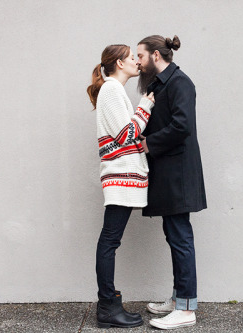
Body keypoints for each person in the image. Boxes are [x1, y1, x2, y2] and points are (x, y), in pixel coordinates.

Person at [136, 35, 207, 330]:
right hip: (169, 175)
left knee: (180, 238)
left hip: (178, 176)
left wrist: (148, 144)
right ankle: (180, 298)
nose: (136, 62)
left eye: (140, 56)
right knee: (174, 236)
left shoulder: (180, 83)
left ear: (155, 55)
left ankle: (187, 309)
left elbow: (182, 125)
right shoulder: (160, 84)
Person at [86, 44, 154, 328]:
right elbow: (126, 135)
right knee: (109, 241)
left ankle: (110, 303)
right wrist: (146, 107)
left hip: (122, 176)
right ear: (118, 63)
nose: (136, 62)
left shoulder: (115, 90)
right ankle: (107, 307)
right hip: (120, 176)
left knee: (110, 241)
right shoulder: (112, 90)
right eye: (131, 58)